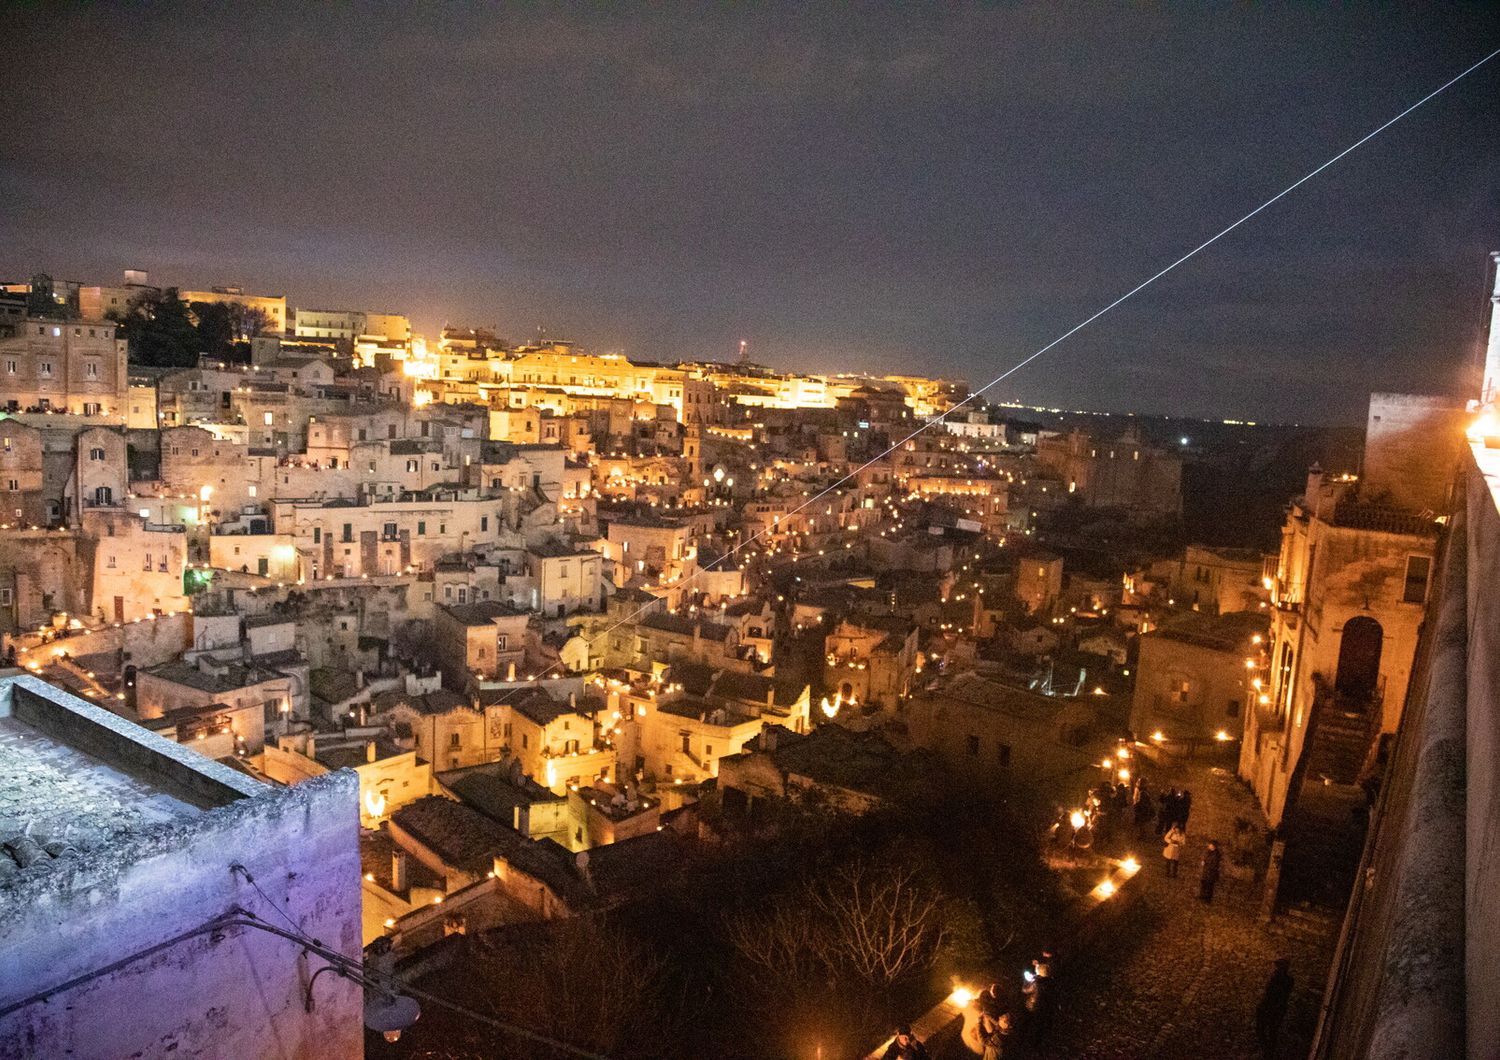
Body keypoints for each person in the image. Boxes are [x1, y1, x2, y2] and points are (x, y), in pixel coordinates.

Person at [1255, 957, 1294, 1056]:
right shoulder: (1287, 980)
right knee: (1270, 1030)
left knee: (1266, 1029)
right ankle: (1269, 1050)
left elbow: (1271, 993)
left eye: (1279, 967)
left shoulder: (1279, 979)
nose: (1276, 968)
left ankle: (1268, 1050)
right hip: (1276, 1008)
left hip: (1272, 1007)